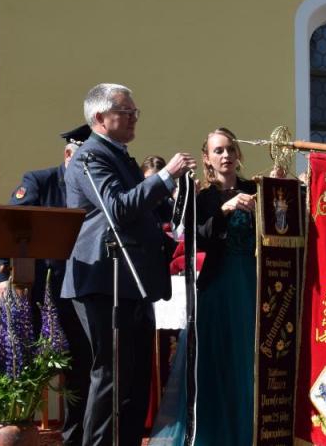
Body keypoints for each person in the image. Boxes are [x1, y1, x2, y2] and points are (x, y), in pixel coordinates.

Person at [62, 83, 196, 446]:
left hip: (132, 280)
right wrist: (165, 176)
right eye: (126, 111)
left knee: (136, 378)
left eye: (135, 111)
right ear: (100, 118)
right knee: (111, 374)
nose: (134, 117)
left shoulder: (120, 155)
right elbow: (117, 208)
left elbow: (141, 214)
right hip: (103, 277)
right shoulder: (90, 156)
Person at [150, 127, 257, 445]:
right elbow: (196, 238)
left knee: (249, 359)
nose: (225, 155)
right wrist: (224, 211)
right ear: (208, 159)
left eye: (230, 149)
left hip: (252, 284)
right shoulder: (204, 198)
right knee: (218, 361)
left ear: (238, 155)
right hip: (217, 287)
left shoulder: (255, 190)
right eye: (218, 151)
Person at [0, 124, 92, 445]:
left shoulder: (95, 187)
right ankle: (19, 434)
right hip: (36, 295)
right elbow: (7, 228)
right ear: (67, 155)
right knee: (24, 369)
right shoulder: (41, 181)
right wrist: (1, 279)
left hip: (80, 296)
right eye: (84, 160)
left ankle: (75, 438)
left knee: (82, 371)